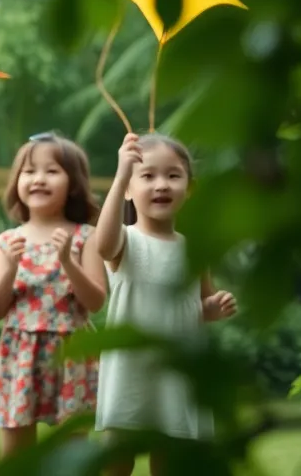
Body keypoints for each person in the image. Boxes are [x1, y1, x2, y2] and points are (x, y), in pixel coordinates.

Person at [91, 133, 238, 476]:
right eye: (148, 175)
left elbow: (197, 305)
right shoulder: (126, 241)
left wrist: (212, 308)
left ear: (190, 188)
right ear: (129, 189)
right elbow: (103, 245)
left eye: (173, 175)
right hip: (130, 371)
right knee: (117, 458)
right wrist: (120, 175)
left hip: (177, 373)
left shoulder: (193, 250)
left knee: (171, 459)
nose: (161, 184)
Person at [0, 132, 106, 457]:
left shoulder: (86, 236)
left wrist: (67, 260)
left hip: (71, 351)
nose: (38, 178)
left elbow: (95, 302)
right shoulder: (6, 242)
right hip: (20, 351)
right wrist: (10, 268)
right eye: (29, 171)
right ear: (17, 181)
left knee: (72, 445)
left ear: (74, 184)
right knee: (16, 449)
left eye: (51, 171)